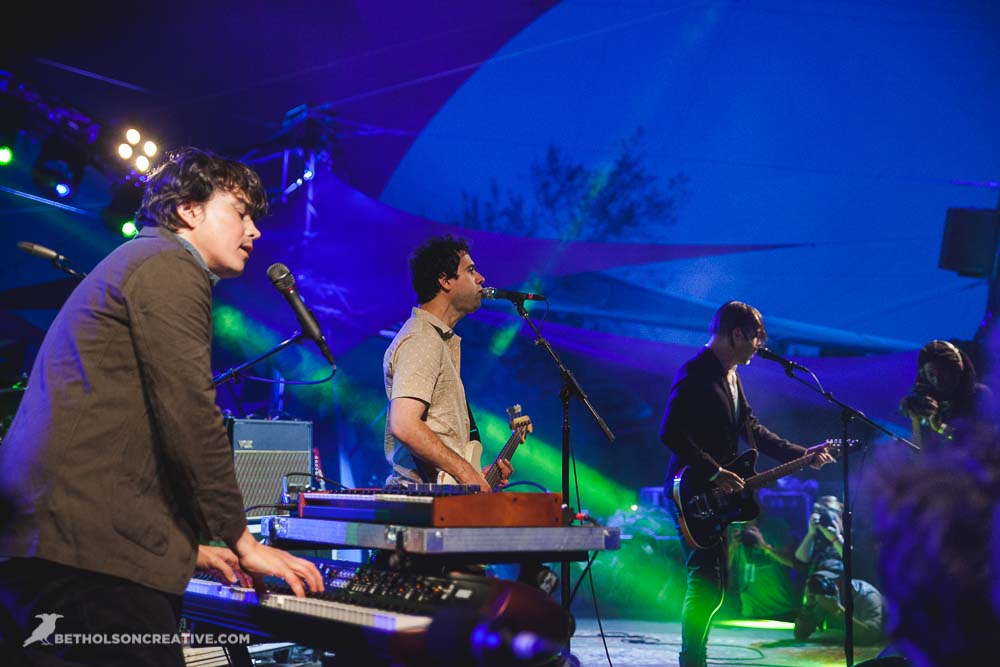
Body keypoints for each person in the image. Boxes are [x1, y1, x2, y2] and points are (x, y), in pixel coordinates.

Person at [0, 148, 323, 667]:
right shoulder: (169, 266)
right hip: (86, 563)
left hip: (60, 543)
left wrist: (189, 549)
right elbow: (190, 414)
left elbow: (119, 429)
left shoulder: (144, 262)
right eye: (240, 212)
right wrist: (243, 540)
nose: (254, 230)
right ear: (188, 211)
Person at [660, 300, 834, 667]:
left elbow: (753, 430)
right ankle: (692, 659)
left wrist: (804, 454)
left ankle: (694, 657)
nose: (760, 345)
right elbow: (672, 432)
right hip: (692, 493)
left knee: (714, 583)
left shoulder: (732, 376)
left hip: (718, 497)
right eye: (757, 337)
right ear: (737, 333)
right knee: (705, 580)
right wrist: (713, 472)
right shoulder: (695, 372)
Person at [383, 235, 512, 489]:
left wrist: (477, 475)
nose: (481, 279)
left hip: (440, 497)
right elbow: (405, 425)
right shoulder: (422, 338)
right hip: (423, 506)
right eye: (470, 270)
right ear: (445, 280)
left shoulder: (436, 340)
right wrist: (466, 472)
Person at [899, 339, 994, 448]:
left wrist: (941, 428)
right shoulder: (927, 402)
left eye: (943, 372)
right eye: (931, 375)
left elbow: (983, 444)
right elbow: (922, 454)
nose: (938, 380)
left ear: (956, 369)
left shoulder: (979, 395)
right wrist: (914, 415)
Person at [727, 519, 798, 621]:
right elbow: (721, 571)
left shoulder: (776, 527)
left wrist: (764, 546)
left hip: (783, 609)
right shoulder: (735, 530)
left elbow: (794, 563)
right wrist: (732, 547)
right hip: (751, 612)